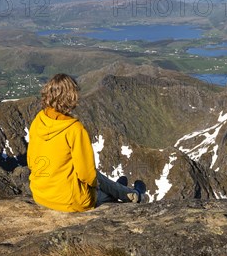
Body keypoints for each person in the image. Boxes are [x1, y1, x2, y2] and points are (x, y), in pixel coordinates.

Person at [27, 73, 146, 212]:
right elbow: (86, 174)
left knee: (96, 176)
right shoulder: (74, 129)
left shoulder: (38, 120)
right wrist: (97, 186)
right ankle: (131, 195)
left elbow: (31, 161)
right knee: (99, 186)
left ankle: (122, 190)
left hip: (40, 194)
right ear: (72, 98)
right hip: (69, 201)